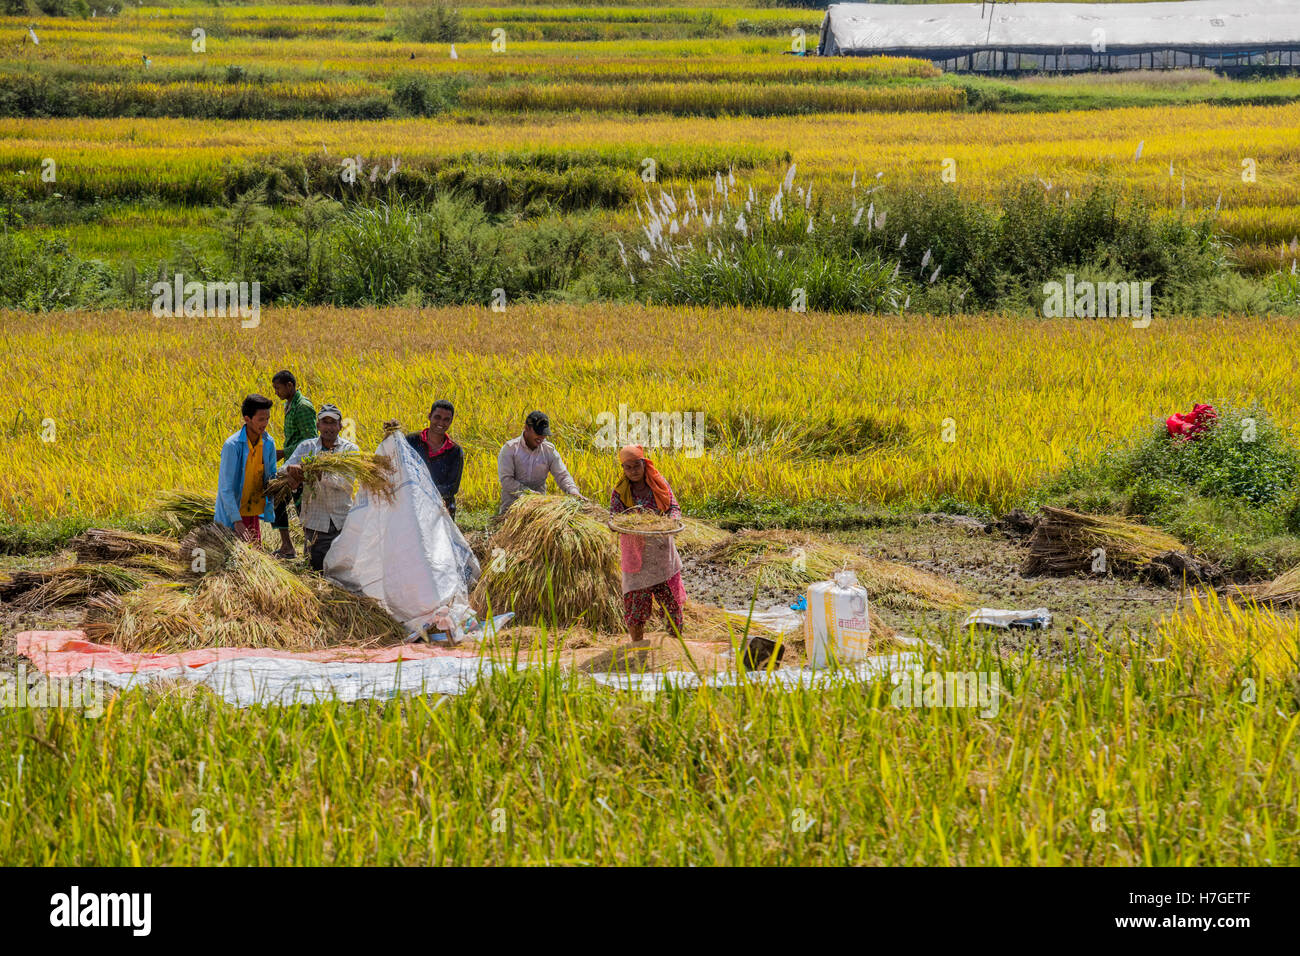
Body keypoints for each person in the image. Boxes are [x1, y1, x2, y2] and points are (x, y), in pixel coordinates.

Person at [610, 444, 685, 643]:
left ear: (644, 464)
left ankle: (677, 647)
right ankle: (637, 648)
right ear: (623, 469)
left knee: (672, 605)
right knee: (636, 606)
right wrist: (622, 524)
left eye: (636, 466)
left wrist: (672, 520)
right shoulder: (620, 491)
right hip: (636, 558)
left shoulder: (658, 484)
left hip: (662, 555)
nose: (633, 471)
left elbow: (674, 507)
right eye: (628, 467)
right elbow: (614, 517)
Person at [283, 404, 360, 571]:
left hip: (341, 520)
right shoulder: (306, 447)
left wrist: (317, 473)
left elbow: (344, 482)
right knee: (314, 570)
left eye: (333, 423)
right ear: (318, 425)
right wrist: (292, 471)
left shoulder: (350, 451)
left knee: (343, 570)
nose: (329, 427)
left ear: (340, 426)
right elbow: (283, 470)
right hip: (315, 521)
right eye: (325, 422)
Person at [214, 394, 278, 544]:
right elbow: (225, 487)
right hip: (232, 514)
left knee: (254, 559)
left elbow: (272, 475)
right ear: (247, 418)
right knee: (231, 559)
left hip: (252, 511)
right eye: (261, 419)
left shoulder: (268, 443)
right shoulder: (233, 446)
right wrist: (237, 521)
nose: (265, 423)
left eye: (267, 419)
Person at [497, 410, 584, 515]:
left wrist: (573, 490)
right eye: (538, 433)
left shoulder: (548, 450)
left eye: (544, 434)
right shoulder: (510, 449)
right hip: (512, 509)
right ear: (527, 428)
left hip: (539, 510)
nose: (541, 438)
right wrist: (528, 494)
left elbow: (562, 475)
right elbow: (506, 480)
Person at [270, 370, 317, 559]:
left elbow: (310, 441)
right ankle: (288, 545)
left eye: (278, 388)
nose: (276, 392)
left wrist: (283, 453)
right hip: (290, 463)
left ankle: (309, 548)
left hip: (300, 466)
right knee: (278, 498)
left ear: (290, 386)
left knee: (302, 506)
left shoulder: (303, 407)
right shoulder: (289, 405)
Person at [402, 400, 464, 519]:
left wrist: (425, 495)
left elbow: (452, 487)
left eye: (446, 419)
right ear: (429, 416)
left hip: (441, 506)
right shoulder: (411, 441)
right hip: (411, 503)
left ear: (451, 421)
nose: (441, 422)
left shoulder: (455, 451)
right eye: (437, 417)